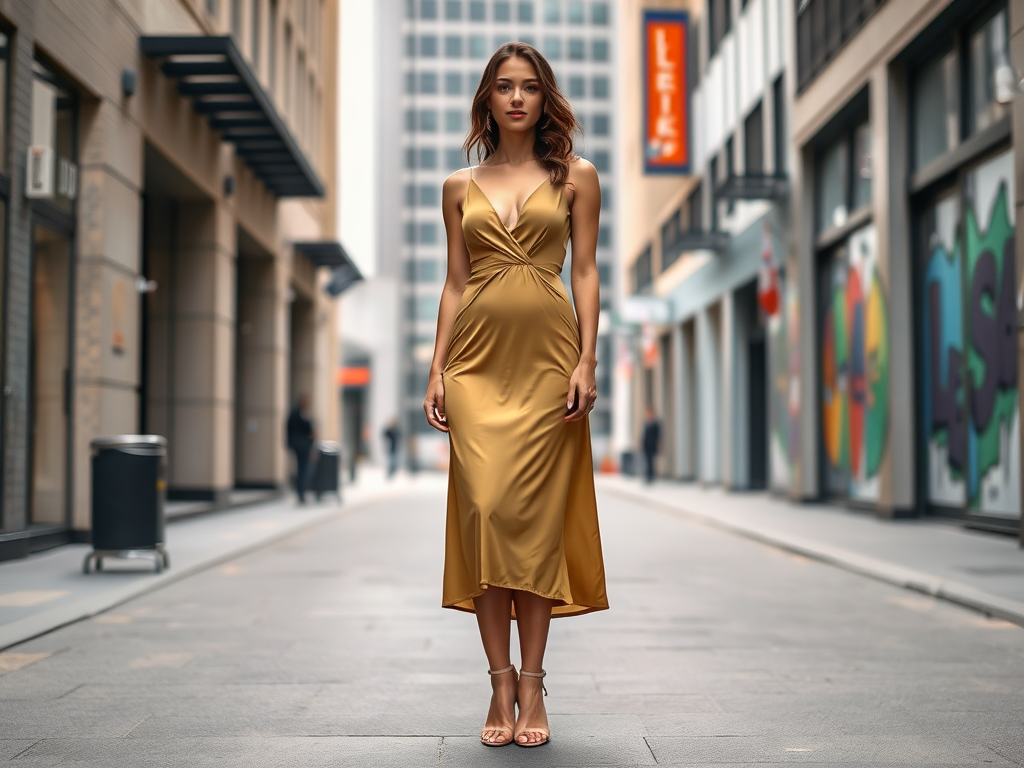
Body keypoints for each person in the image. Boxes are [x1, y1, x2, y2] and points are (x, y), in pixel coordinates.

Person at [423, 42, 608, 749]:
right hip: (474, 370)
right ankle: (497, 678)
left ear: (545, 97)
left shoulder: (578, 178)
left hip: (548, 367)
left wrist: (588, 358)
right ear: (487, 99)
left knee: (530, 526)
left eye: (531, 87)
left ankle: (531, 686)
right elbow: (456, 282)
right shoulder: (455, 186)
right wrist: (437, 369)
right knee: (486, 512)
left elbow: (585, 272)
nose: (518, 98)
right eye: (504, 87)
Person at [286, 395, 315, 504]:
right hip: (302, 446)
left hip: (301, 446)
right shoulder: (300, 414)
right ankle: (301, 493)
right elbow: (290, 429)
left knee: (302, 469)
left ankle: (301, 493)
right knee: (303, 470)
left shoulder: (300, 413)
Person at [642, 406, 661, 484]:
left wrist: (658, 444)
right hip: (647, 445)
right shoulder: (646, 423)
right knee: (647, 461)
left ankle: (651, 476)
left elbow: (658, 435)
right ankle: (648, 476)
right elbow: (644, 435)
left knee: (651, 461)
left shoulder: (655, 423)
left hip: (652, 445)